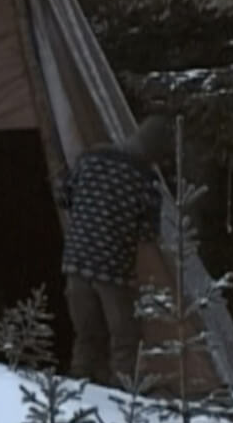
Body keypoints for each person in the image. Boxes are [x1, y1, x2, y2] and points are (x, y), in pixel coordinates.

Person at [57, 115, 173, 386]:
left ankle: (78, 390)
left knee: (86, 336)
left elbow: (64, 195)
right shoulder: (146, 180)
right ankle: (121, 397)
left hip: (75, 261)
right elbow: (148, 234)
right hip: (113, 271)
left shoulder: (91, 158)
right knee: (124, 340)